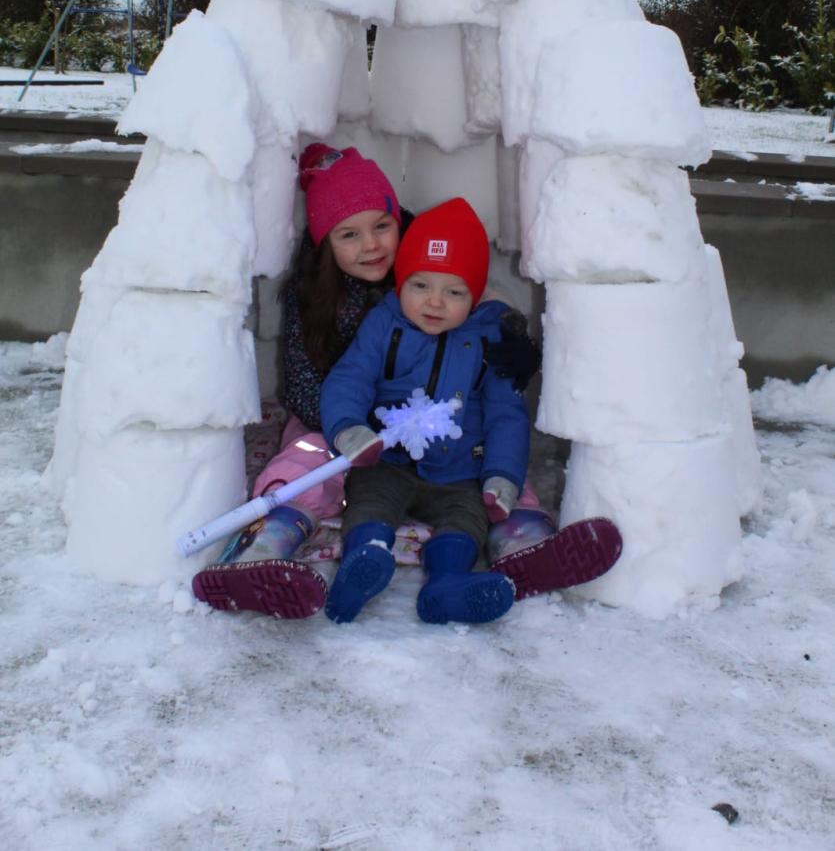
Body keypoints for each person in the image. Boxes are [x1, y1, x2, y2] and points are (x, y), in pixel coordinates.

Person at [191, 143, 621, 619]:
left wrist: (507, 334)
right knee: (308, 461)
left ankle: (523, 545)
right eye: (349, 234)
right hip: (339, 421)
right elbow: (318, 381)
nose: (371, 245)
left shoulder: (436, 272)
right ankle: (264, 548)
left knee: (498, 472)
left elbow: (480, 322)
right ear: (325, 242)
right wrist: (353, 428)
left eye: (382, 226)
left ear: (400, 223)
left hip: (446, 448)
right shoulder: (317, 296)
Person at [321, 196, 529, 626]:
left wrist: (502, 475)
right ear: (402, 282)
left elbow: (506, 414)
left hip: (458, 472)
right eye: (420, 286)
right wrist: (348, 429)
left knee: (468, 519)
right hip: (388, 460)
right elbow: (351, 377)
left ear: (475, 295)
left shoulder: (492, 339)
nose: (434, 302)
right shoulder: (385, 322)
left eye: (454, 292)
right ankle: (365, 560)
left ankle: (447, 582)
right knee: (368, 500)